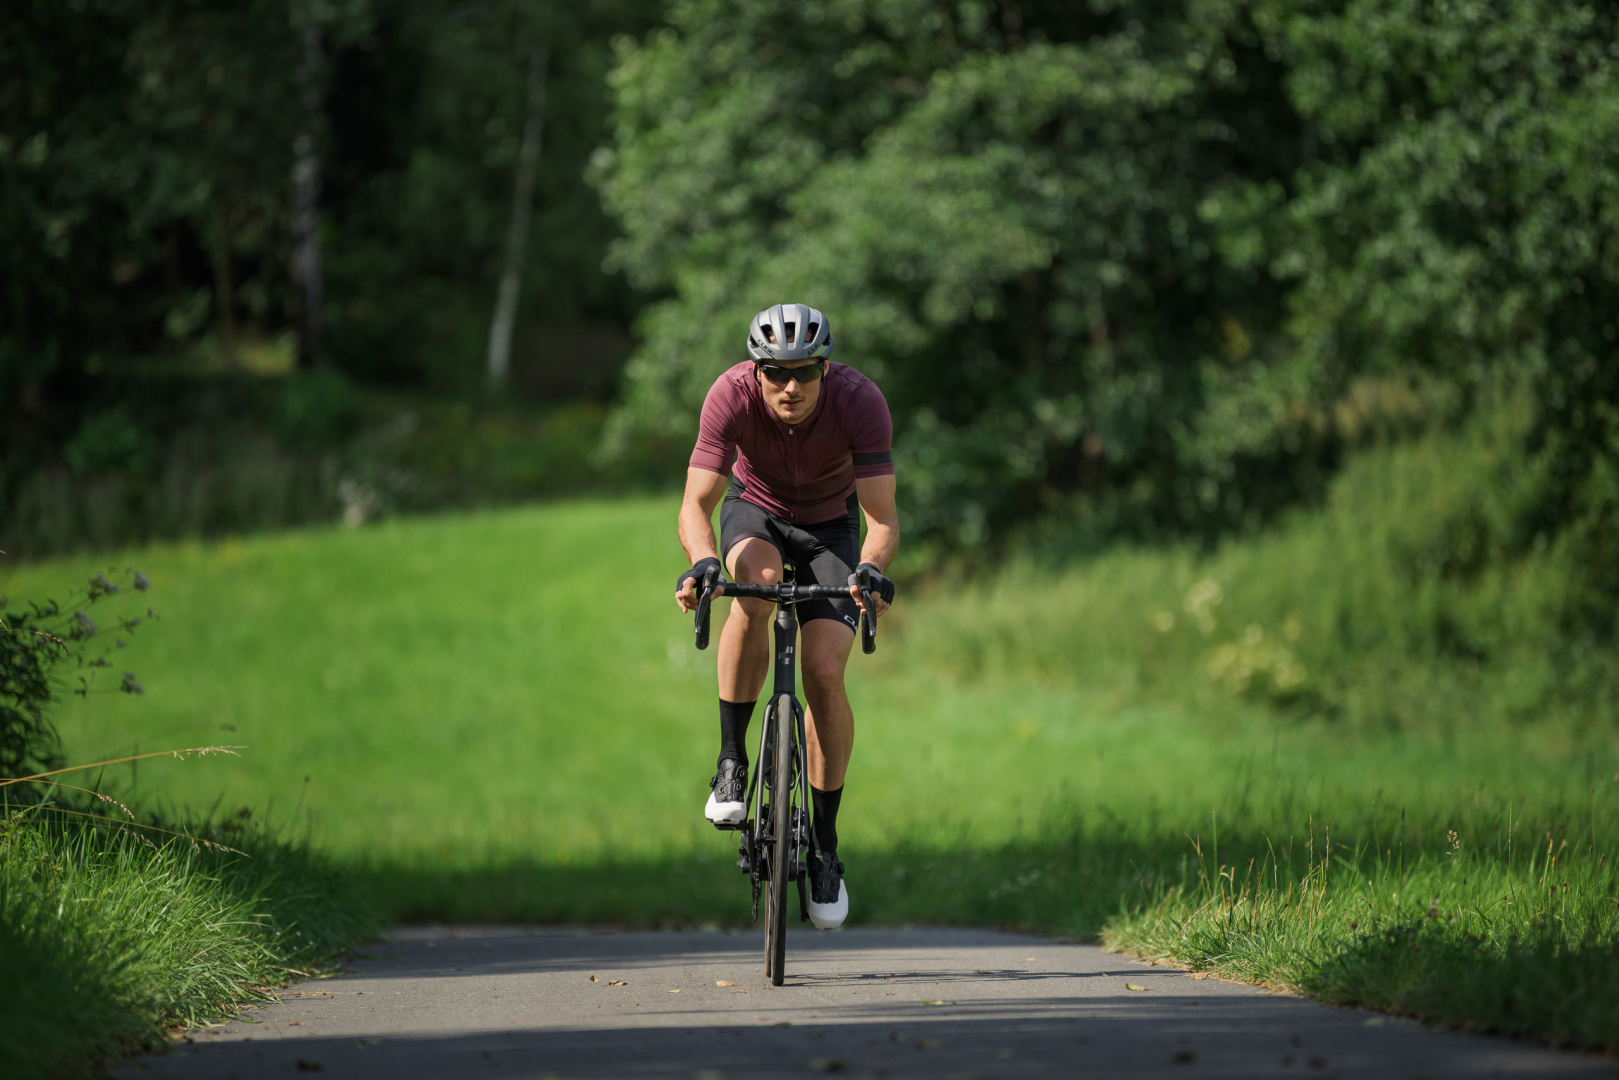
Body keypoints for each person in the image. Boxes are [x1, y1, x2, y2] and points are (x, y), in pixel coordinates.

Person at [674, 302, 899, 930]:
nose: (790, 387)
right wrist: (702, 562)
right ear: (757, 371)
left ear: (825, 370)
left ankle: (825, 848)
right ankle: (730, 763)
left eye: (804, 372)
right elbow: (696, 501)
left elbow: (881, 520)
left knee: (825, 672)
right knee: (756, 584)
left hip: (831, 527)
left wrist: (871, 570)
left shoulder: (860, 402)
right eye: (775, 373)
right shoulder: (729, 396)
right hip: (757, 513)